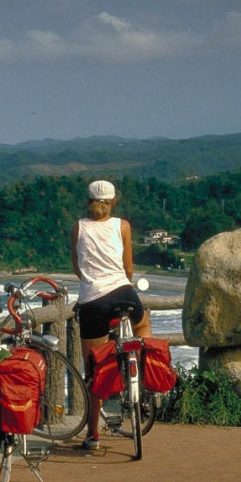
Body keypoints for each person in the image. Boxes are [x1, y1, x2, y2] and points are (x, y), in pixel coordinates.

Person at [70, 179, 151, 450]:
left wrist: (93, 281)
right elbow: (128, 267)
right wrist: (120, 280)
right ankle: (140, 373)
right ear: (114, 202)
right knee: (143, 323)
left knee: (94, 369)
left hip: (92, 301)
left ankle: (93, 435)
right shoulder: (123, 226)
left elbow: (77, 268)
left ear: (88, 201)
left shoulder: (78, 227)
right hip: (124, 292)